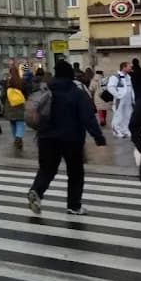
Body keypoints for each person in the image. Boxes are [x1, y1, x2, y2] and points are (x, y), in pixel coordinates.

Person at [27, 58, 107, 215]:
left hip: (46, 138)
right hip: (72, 139)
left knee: (46, 169)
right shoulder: (77, 93)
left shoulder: (46, 91)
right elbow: (88, 117)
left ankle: (36, 190)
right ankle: (74, 205)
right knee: (75, 172)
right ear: (70, 74)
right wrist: (98, 137)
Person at [0, 67, 28, 152]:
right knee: (20, 122)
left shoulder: (7, 83)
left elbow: (2, 96)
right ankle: (19, 137)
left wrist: (4, 103)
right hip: (20, 105)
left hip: (10, 105)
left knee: (13, 123)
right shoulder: (22, 82)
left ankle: (15, 138)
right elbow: (26, 94)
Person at [109, 61, 134, 139]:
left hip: (128, 100)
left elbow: (130, 88)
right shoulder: (116, 76)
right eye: (129, 66)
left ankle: (125, 130)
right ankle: (117, 131)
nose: (131, 68)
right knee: (118, 115)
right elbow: (110, 87)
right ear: (124, 67)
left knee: (127, 115)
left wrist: (133, 98)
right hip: (119, 100)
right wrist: (118, 95)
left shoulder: (128, 77)